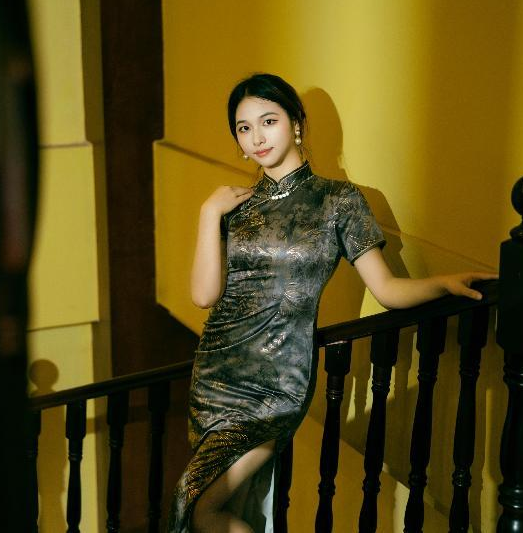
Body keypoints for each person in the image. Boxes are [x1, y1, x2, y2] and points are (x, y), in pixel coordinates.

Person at [168, 73, 495, 532]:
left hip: (277, 382)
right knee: (204, 507)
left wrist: (444, 283)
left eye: (268, 121)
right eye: (244, 128)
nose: (257, 137)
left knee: (199, 508)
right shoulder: (231, 206)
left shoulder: (339, 201)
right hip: (217, 375)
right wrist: (208, 214)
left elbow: (387, 289)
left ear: (297, 124)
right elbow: (204, 295)